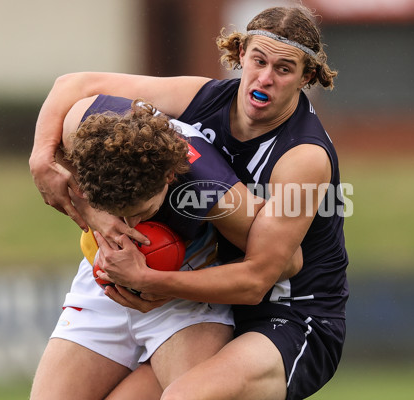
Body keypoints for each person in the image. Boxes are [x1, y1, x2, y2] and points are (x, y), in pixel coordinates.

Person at [30, 5, 348, 399]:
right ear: (240, 53)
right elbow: (72, 86)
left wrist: (148, 280)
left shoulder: (303, 156)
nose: (265, 77)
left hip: (289, 313)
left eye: (284, 69)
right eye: (258, 60)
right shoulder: (205, 97)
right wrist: (43, 157)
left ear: (307, 77)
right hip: (203, 284)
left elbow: (263, 276)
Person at [30, 94, 301, 400]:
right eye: (117, 209)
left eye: (141, 211)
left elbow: (287, 262)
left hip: (188, 300)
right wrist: (96, 214)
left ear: (169, 177)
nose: (130, 224)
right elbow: (64, 119)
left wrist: (161, 283)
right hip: (106, 279)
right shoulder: (84, 126)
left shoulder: (212, 192)